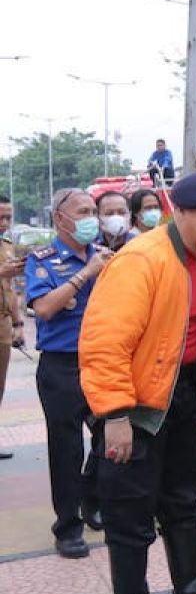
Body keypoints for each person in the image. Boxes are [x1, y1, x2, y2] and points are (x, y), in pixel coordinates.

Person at [79, 172, 196, 594]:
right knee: (130, 507)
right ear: (181, 211)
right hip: (136, 407)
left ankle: (191, 591)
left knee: (185, 497)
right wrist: (114, 415)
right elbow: (104, 344)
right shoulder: (141, 260)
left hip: (183, 400)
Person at [25, 188, 113, 558]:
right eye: (83, 211)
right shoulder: (42, 259)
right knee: (66, 448)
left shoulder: (105, 256)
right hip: (61, 367)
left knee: (111, 438)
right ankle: (67, 527)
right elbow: (44, 308)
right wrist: (85, 276)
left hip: (102, 361)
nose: (92, 217)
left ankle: (91, 499)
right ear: (60, 218)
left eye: (94, 210)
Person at [0, 195, 25, 460]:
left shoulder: (7, 245)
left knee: (0, 386)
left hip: (3, 323)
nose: (4, 223)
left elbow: (11, 289)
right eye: (0, 217)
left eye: (8, 217)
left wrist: (18, 324)